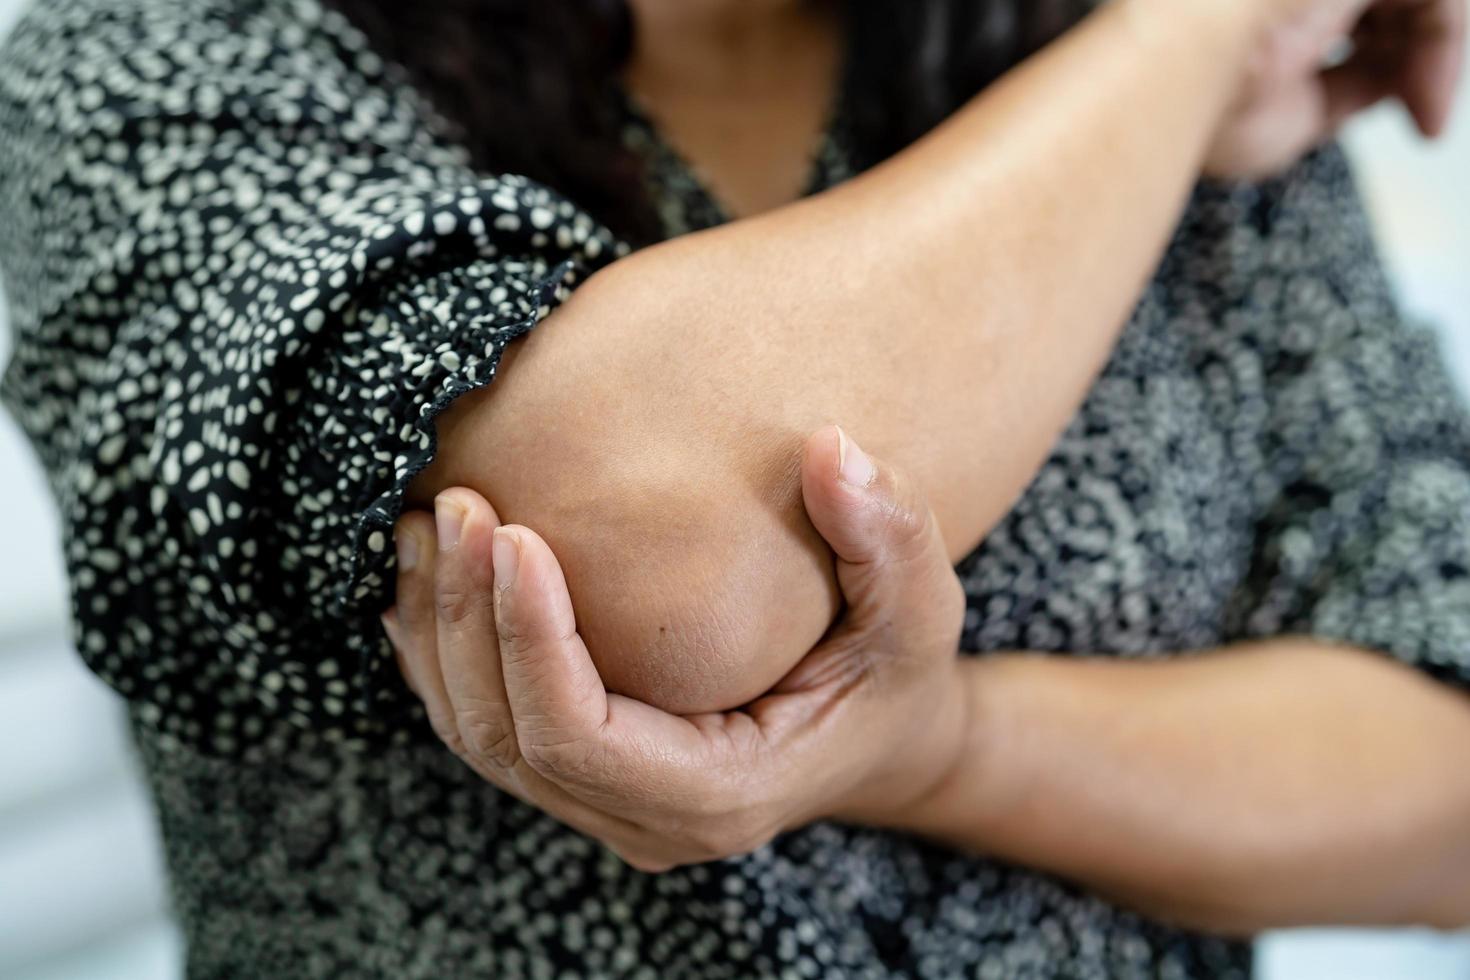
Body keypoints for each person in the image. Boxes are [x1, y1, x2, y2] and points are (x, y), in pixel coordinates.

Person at [1, 0, 1467, 974]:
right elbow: (651, 581)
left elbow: (1440, 771)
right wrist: (1196, 25)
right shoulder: (168, 60)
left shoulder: (1086, 63)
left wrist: (941, 747)